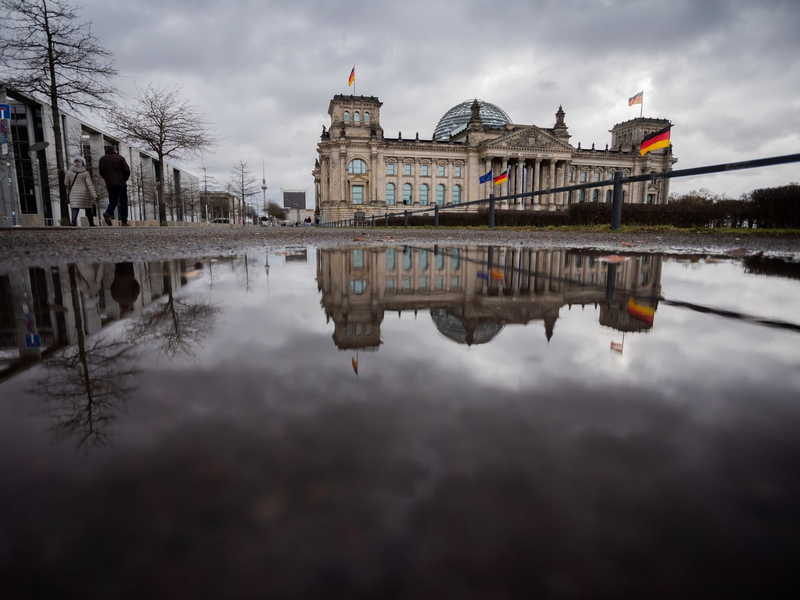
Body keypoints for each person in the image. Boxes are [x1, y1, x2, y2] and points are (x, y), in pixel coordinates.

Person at [98, 146, 131, 227]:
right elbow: (127, 170)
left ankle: (108, 212)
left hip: (110, 184)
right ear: (114, 150)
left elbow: (101, 171)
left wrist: (107, 179)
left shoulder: (102, 159)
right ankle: (124, 221)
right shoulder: (120, 158)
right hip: (121, 183)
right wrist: (124, 179)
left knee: (113, 200)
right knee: (123, 202)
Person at [64, 156, 97, 226]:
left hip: (73, 192)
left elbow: (66, 183)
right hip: (85, 193)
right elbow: (90, 184)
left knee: (75, 207)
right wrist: (94, 195)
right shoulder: (85, 173)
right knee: (88, 208)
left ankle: (73, 222)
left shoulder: (69, 172)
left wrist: (70, 189)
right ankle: (91, 223)